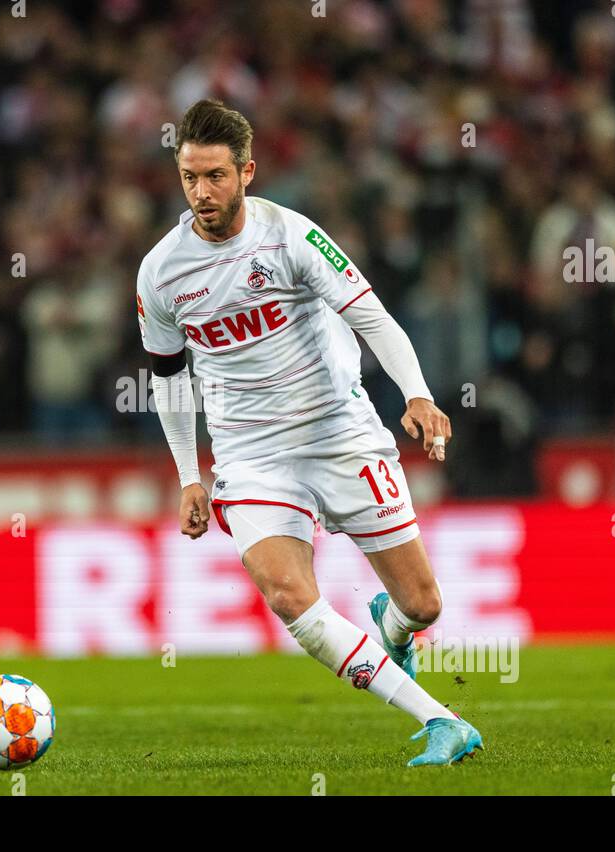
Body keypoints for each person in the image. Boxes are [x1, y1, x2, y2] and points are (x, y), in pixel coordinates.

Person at [138, 99, 482, 766]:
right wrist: (188, 474)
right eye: (188, 177)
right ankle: (442, 721)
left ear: (247, 172)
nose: (200, 192)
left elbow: (372, 315)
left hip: (338, 432)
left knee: (423, 603)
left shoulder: (292, 237)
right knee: (290, 593)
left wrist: (417, 392)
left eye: (214, 176)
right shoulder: (160, 272)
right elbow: (169, 377)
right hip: (250, 455)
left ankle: (391, 623)